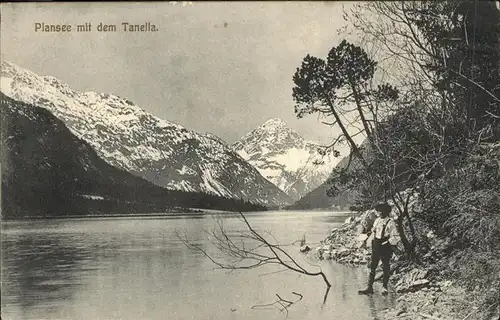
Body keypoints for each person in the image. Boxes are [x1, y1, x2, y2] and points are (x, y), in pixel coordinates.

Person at [358, 202, 400, 295]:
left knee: (385, 266)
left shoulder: (390, 222)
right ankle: (369, 287)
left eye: (380, 211)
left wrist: (387, 242)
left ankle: (384, 287)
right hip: (376, 245)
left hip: (385, 246)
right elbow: (372, 231)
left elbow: (396, 236)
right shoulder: (377, 220)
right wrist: (363, 240)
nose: (378, 213)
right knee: (372, 266)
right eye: (378, 211)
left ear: (385, 212)